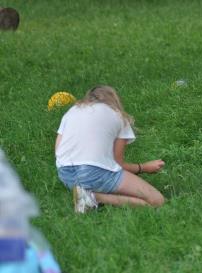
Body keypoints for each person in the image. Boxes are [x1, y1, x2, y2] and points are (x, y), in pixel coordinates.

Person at [55, 85, 165, 213]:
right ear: (114, 100)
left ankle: (85, 193)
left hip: (65, 174)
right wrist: (144, 167)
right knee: (157, 201)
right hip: (93, 172)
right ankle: (94, 197)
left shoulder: (72, 111)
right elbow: (119, 164)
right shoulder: (118, 115)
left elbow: (58, 151)